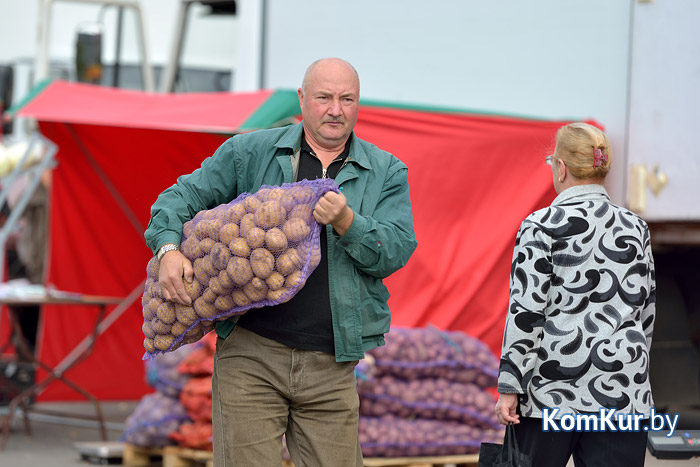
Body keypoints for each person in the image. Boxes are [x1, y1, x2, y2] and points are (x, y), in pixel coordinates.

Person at [145, 57, 417, 466]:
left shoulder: (385, 171)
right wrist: (168, 251)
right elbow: (179, 198)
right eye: (324, 97)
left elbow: (396, 250)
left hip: (333, 362)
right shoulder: (249, 152)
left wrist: (348, 221)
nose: (335, 109)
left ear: (359, 104)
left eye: (347, 99)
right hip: (253, 355)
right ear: (303, 99)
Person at [494, 122, 656, 466]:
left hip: (552, 392)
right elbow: (646, 312)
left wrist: (510, 385)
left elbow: (526, 312)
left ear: (561, 167)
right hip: (622, 392)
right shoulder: (636, 227)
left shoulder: (540, 225)